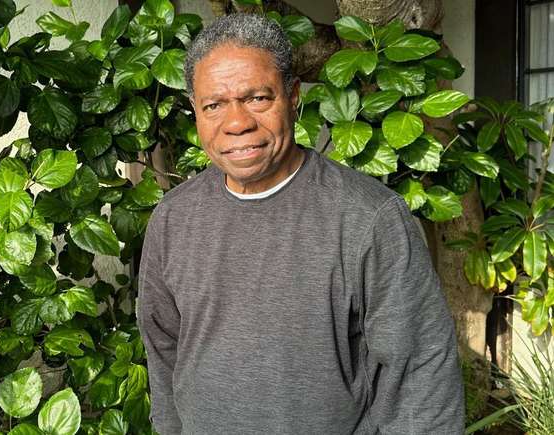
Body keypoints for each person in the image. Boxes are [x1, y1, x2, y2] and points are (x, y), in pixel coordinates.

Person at [135, 12, 465, 435]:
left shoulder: (368, 217)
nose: (236, 123)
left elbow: (421, 371)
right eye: (214, 105)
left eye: (257, 98)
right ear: (195, 111)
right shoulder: (173, 218)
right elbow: (163, 349)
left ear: (293, 97)